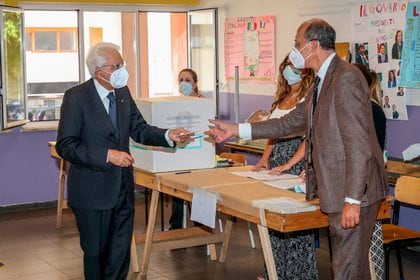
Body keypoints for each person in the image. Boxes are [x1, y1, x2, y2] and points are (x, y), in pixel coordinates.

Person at [206, 19, 388, 279]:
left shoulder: (345, 77)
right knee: (347, 268)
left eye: (297, 44)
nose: (294, 50)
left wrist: (352, 200)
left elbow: (358, 145)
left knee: (347, 269)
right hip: (338, 189)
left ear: (313, 45)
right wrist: (237, 130)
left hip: (355, 192)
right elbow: (289, 123)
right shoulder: (321, 81)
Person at [56, 42, 192, 279]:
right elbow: (66, 145)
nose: (122, 70)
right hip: (92, 192)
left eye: (123, 64)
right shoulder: (76, 97)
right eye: (117, 65)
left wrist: (167, 135)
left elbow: (139, 128)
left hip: (122, 188)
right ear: (100, 72)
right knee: (97, 254)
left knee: (120, 253)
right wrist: (107, 155)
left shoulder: (122, 92)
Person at [253, 55, 317, 280]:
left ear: (304, 71)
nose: (288, 72)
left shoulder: (308, 98)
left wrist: (289, 164)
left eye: (293, 68)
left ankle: (296, 274)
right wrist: (264, 159)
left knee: (295, 220)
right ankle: (273, 270)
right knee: (274, 218)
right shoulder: (281, 98)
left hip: (297, 159)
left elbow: (308, 138)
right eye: (285, 68)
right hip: (279, 158)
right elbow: (273, 132)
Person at [354, 63, 387, 280]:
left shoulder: (373, 111)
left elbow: (365, 150)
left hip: (367, 186)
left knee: (370, 243)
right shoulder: (356, 108)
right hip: (356, 184)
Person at [169, 68, 203, 230]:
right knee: (177, 188)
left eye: (188, 80)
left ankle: (200, 226)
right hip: (180, 152)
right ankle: (176, 226)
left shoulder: (204, 103)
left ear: (195, 83)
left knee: (198, 189)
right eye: (181, 80)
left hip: (198, 152)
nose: (183, 83)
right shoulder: (175, 103)